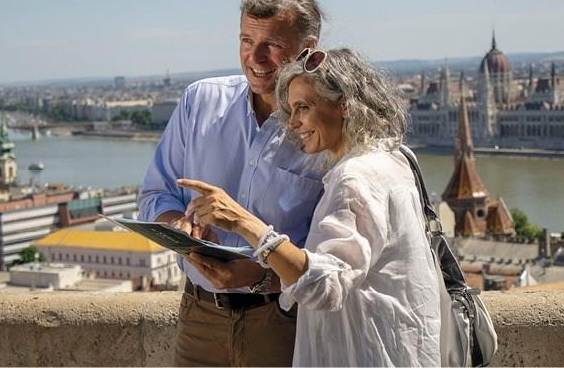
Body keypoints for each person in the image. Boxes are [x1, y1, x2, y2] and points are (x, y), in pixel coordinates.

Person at [178, 48, 442, 367]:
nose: (293, 123)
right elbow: (348, 272)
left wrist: (244, 223)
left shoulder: (354, 178)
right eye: (291, 109)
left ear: (344, 104)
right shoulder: (394, 158)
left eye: (303, 107)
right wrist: (258, 277)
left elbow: (326, 287)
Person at [137, 0, 327, 366]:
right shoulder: (200, 101)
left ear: (308, 49)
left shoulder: (328, 127)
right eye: (246, 40)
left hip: (286, 321)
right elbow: (155, 194)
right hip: (198, 315)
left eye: (272, 44)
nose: (254, 57)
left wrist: (259, 276)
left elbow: (335, 262)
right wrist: (179, 226)